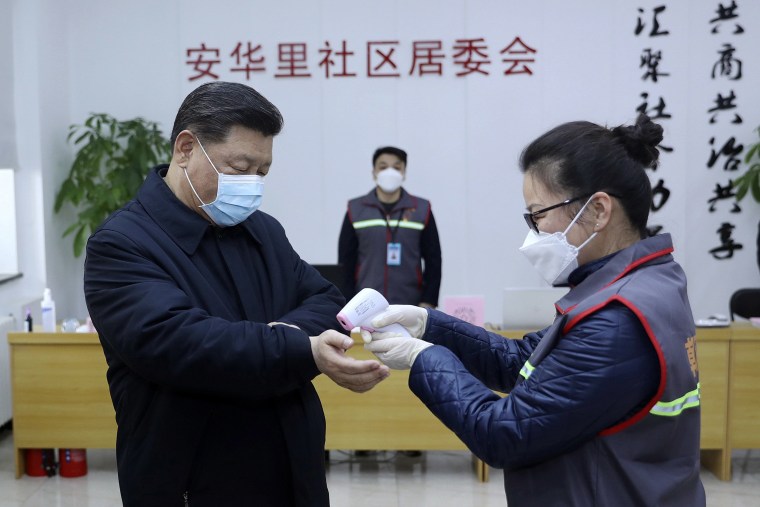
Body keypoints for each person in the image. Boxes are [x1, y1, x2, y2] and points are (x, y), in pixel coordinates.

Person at [361, 114, 706, 506]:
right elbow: (526, 361)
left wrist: (426, 359)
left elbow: (504, 433)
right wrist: (430, 325)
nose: (534, 232)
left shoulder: (616, 320)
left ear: (598, 211)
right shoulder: (642, 282)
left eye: (538, 215)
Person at [83, 82, 389, 507]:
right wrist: (297, 347)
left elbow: (324, 300)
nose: (252, 185)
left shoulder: (263, 230)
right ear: (186, 149)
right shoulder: (121, 245)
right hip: (192, 481)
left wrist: (277, 339)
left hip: (292, 473)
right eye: (239, 167)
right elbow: (181, 343)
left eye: (262, 173)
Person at [338, 146, 442, 309]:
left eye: (396, 167)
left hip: (411, 306)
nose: (390, 172)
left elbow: (434, 260)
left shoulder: (421, 209)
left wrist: (428, 301)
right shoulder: (356, 209)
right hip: (365, 305)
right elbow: (345, 263)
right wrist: (348, 302)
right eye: (383, 167)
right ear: (374, 172)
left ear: (404, 173)